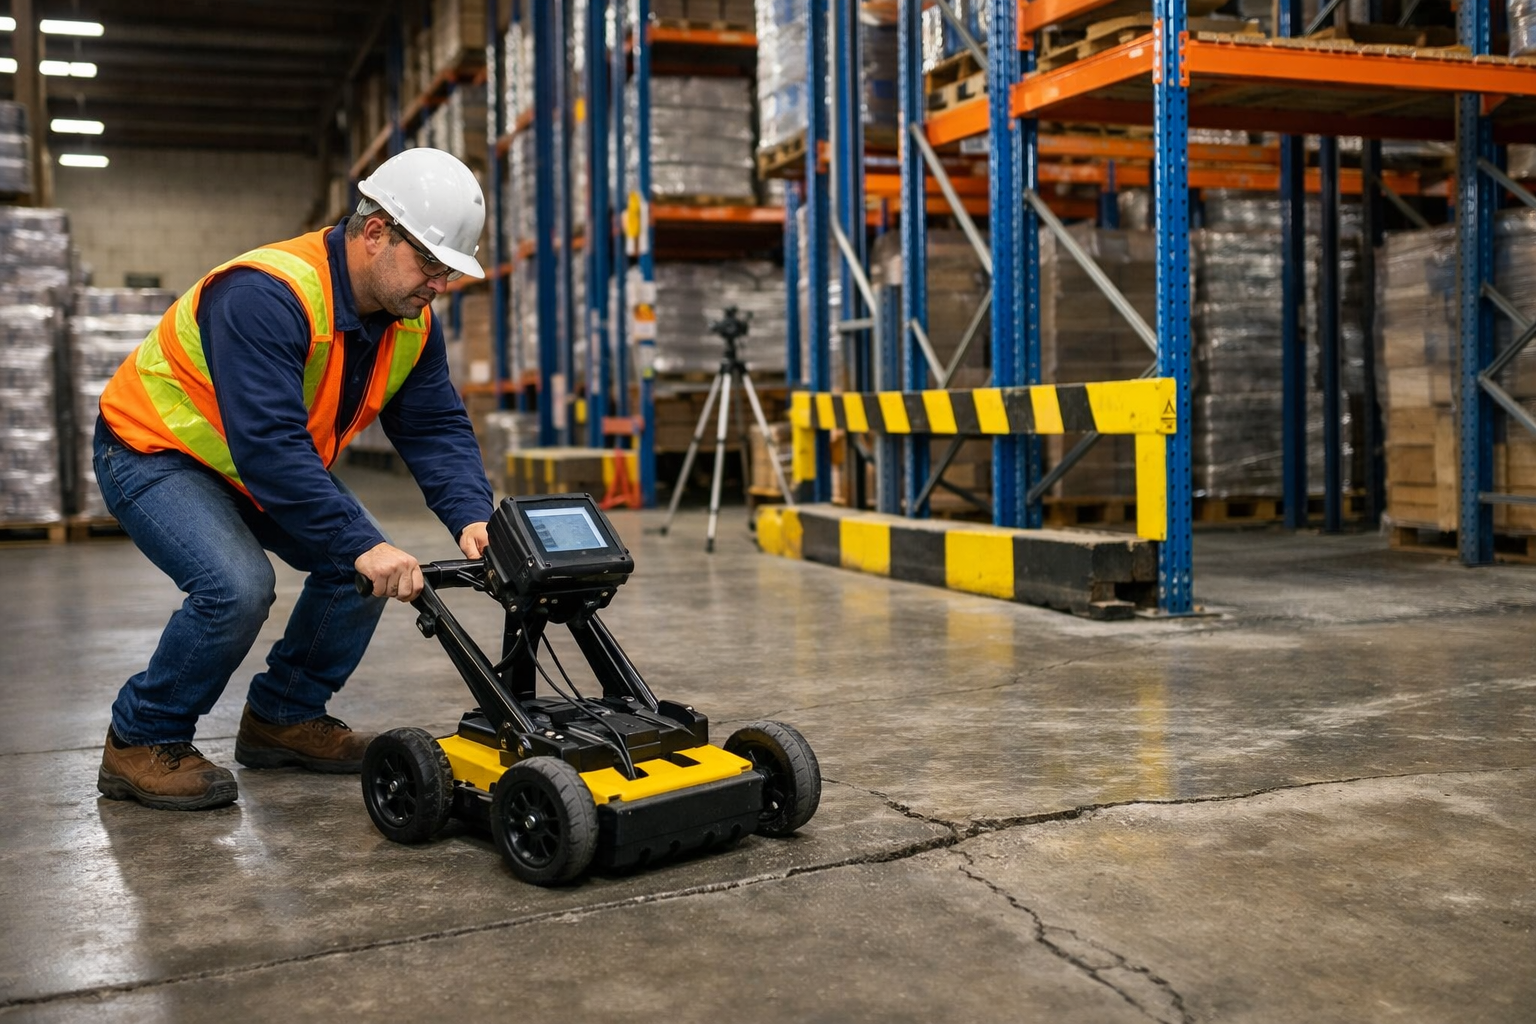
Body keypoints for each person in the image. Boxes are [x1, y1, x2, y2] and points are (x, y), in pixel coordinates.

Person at [92, 148, 496, 811]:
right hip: (153, 448)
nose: (439, 284)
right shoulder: (265, 294)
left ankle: (283, 718)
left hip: (252, 463)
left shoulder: (411, 324)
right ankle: (142, 737)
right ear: (375, 233)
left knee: (356, 566)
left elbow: (434, 428)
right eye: (431, 264)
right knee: (238, 586)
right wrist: (360, 542)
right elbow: (269, 445)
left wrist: (473, 516)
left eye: (448, 270)